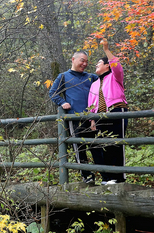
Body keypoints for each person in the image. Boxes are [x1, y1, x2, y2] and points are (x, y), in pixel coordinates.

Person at [48, 51, 98, 183]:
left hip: (93, 117)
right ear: (73, 59)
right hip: (75, 118)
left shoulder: (91, 77)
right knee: (79, 148)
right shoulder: (64, 76)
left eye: (86, 61)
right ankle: (86, 176)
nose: (85, 64)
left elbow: (104, 88)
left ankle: (105, 175)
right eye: (82, 60)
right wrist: (62, 102)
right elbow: (52, 93)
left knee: (96, 146)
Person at [87, 39, 128, 184]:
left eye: (99, 63)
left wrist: (106, 50)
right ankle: (107, 177)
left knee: (116, 144)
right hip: (100, 116)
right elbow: (91, 104)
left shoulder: (115, 77)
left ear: (106, 65)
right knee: (104, 145)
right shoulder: (94, 84)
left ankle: (118, 178)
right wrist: (92, 120)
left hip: (116, 110)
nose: (96, 65)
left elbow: (117, 66)